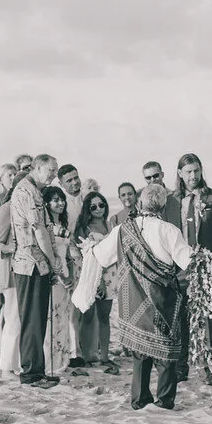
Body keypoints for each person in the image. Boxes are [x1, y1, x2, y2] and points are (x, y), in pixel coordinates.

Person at [76, 183, 193, 410]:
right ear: (163, 205)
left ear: (139, 203)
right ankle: (164, 400)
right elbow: (189, 261)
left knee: (140, 354)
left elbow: (99, 256)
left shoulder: (123, 230)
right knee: (166, 353)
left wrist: (90, 245)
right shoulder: (169, 230)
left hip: (134, 300)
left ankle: (139, 400)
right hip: (162, 299)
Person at [175, 153, 212, 385]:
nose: (193, 175)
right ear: (180, 173)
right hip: (180, 268)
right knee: (181, 318)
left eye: (196, 170)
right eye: (188, 171)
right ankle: (181, 367)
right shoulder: (172, 200)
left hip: (208, 268)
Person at [10, 153, 62, 389]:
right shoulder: (27, 191)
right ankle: (31, 373)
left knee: (38, 319)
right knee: (32, 320)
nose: (54, 175)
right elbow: (39, 231)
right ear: (38, 168)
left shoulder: (34, 190)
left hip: (36, 264)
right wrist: (53, 262)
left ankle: (37, 371)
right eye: (51, 170)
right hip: (30, 264)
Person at [74, 191, 118, 368]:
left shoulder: (110, 225)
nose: (98, 209)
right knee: (88, 316)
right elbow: (89, 256)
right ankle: (87, 355)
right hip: (93, 275)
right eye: (93, 206)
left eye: (101, 205)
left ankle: (105, 356)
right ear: (88, 209)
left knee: (105, 316)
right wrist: (98, 281)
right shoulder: (86, 228)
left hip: (111, 275)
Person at [42, 186, 78, 375]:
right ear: (47, 203)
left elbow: (69, 256)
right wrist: (60, 276)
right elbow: (50, 254)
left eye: (62, 199)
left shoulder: (64, 225)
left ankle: (62, 360)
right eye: (55, 200)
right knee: (52, 319)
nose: (60, 203)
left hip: (65, 273)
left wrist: (70, 275)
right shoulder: (46, 227)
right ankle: (50, 364)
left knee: (64, 318)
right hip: (54, 276)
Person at [0, 172, 25, 378]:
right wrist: (13, 247)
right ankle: (5, 367)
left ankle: (17, 364)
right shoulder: (6, 209)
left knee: (21, 320)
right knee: (12, 319)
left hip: (24, 271)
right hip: (10, 271)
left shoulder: (24, 208)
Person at [55, 164, 85, 365]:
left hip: (86, 257)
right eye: (69, 180)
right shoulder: (60, 202)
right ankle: (72, 352)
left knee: (81, 308)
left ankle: (82, 349)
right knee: (68, 308)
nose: (74, 182)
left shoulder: (87, 198)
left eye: (76, 178)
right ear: (61, 183)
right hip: (67, 258)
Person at [142, 161, 181, 228]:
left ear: (162, 175)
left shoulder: (174, 197)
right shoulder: (141, 199)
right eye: (148, 178)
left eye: (155, 176)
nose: (152, 180)